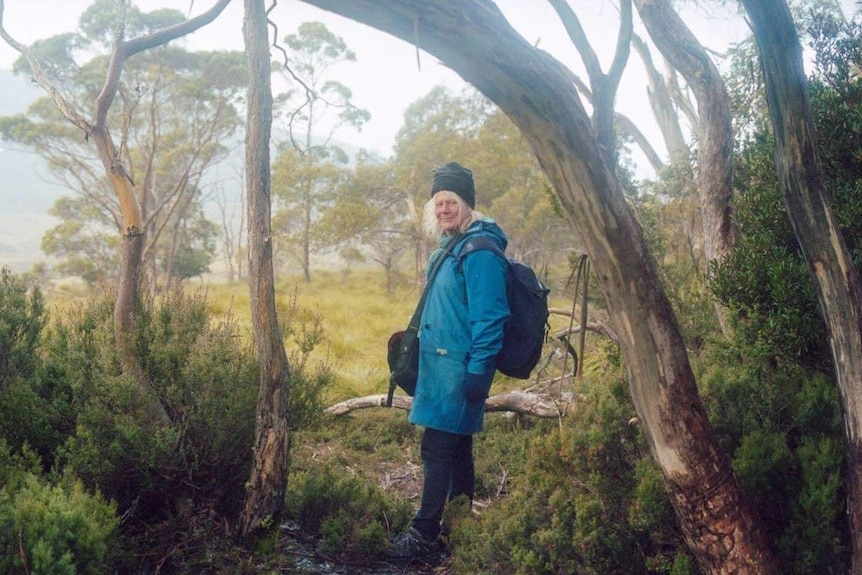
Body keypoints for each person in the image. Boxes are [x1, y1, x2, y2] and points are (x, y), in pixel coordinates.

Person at [384, 162, 510, 560]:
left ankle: (422, 537)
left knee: (437, 451)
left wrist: (479, 374)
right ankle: (457, 534)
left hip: (460, 372)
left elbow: (490, 319)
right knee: (457, 452)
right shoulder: (451, 245)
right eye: (438, 202)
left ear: (466, 203)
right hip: (441, 370)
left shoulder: (480, 252)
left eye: (451, 201)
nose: (443, 209)